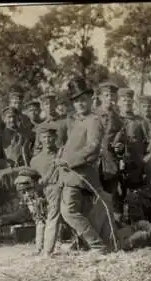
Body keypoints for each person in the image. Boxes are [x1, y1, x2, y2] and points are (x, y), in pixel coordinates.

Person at [55, 77, 108, 255]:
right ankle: (82, 243)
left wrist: (68, 161)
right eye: (76, 101)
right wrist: (61, 153)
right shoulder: (77, 121)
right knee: (80, 211)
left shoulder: (94, 120)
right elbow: (72, 145)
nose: (80, 104)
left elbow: (92, 148)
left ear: (90, 99)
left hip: (80, 175)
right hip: (69, 174)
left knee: (68, 212)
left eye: (83, 100)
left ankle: (97, 245)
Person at [29, 122, 65, 256]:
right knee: (40, 219)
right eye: (44, 137)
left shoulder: (60, 155)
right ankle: (39, 248)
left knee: (53, 218)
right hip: (40, 193)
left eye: (50, 137)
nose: (47, 140)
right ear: (40, 139)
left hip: (56, 189)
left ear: (54, 138)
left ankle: (48, 250)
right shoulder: (35, 160)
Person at [113, 87, 148, 211]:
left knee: (134, 198)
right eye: (123, 100)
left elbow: (148, 143)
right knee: (116, 197)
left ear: (133, 103)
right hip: (116, 164)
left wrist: (144, 161)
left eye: (129, 101)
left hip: (135, 166)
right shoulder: (114, 119)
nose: (127, 103)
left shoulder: (140, 121)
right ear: (118, 102)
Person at [95, 81, 124, 195]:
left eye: (112, 95)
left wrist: (119, 146)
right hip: (94, 159)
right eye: (106, 95)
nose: (109, 98)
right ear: (100, 97)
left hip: (110, 161)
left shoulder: (117, 118)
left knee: (109, 194)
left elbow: (122, 139)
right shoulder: (93, 114)